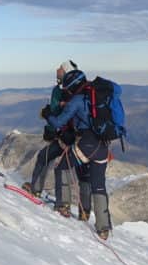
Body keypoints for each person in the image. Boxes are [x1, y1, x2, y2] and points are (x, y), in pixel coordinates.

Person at [44, 67, 113, 240]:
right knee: (98, 184)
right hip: (103, 145)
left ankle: (63, 206)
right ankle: (103, 228)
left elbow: (59, 122)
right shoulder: (97, 98)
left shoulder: (77, 100)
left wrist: (47, 115)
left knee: (62, 166)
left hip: (87, 143)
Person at [22, 60, 78, 198]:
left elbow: (55, 112)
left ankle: (37, 190)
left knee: (45, 157)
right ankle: (84, 210)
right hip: (79, 135)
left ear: (65, 72)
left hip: (65, 135)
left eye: (60, 68)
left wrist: (49, 125)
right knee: (80, 172)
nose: (57, 69)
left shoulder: (61, 91)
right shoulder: (78, 90)